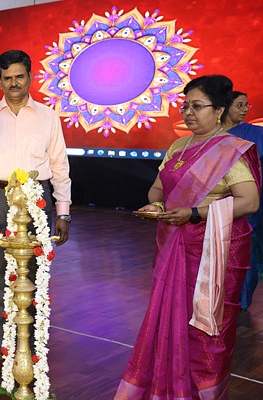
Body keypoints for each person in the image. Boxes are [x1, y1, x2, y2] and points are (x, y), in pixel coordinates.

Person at [115, 75, 261, 399]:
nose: (188, 112)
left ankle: (200, 392)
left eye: (197, 106)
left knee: (205, 328)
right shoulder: (178, 146)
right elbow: (157, 189)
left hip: (213, 251)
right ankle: (166, 388)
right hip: (172, 244)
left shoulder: (231, 150)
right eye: (185, 106)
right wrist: (156, 205)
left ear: (219, 110)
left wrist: (195, 213)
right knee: (168, 318)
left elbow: (249, 202)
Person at [0, 49, 72, 369]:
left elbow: (59, 165)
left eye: (19, 76)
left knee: (33, 274)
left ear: (30, 77)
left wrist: (63, 210)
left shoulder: (48, 116)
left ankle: (29, 346)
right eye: (7, 78)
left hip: (37, 199)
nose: (14, 83)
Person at [224, 91, 263, 310]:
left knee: (246, 247)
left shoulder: (256, 133)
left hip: (248, 201)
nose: (244, 109)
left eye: (246, 105)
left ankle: (241, 301)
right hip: (217, 200)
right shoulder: (212, 134)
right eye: (239, 105)